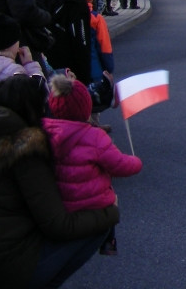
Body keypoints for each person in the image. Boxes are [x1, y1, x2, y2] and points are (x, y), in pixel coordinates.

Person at [0, 74, 119, 289]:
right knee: (100, 222)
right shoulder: (24, 147)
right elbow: (57, 224)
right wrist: (111, 213)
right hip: (8, 264)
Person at [43, 75, 142, 257]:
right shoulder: (94, 137)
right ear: (86, 108)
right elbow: (119, 165)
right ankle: (108, 241)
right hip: (90, 203)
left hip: (57, 200)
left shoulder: (43, 131)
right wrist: (136, 162)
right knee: (112, 198)